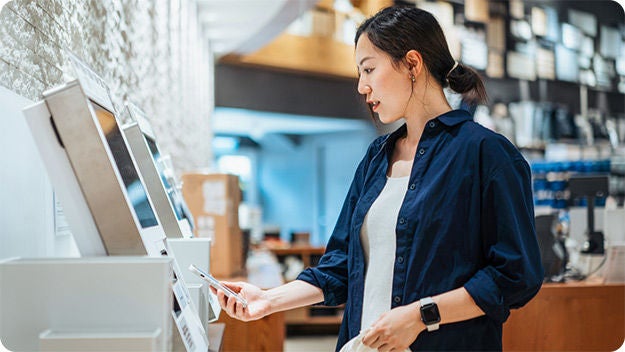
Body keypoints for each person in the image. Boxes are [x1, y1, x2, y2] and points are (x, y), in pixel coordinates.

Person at [213, 5, 543, 351]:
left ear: (413, 64)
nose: (361, 86)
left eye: (369, 69)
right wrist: (268, 298)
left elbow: (515, 275)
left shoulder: (487, 154)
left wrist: (420, 316)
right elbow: (341, 266)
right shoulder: (376, 157)